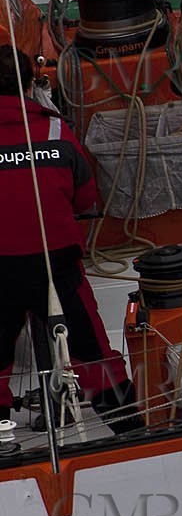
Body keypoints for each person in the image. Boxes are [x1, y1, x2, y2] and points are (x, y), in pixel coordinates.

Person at [0, 46, 134, 426]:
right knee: (92, 351)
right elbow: (85, 195)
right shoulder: (56, 129)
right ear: (30, 84)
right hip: (56, 264)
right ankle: (128, 425)